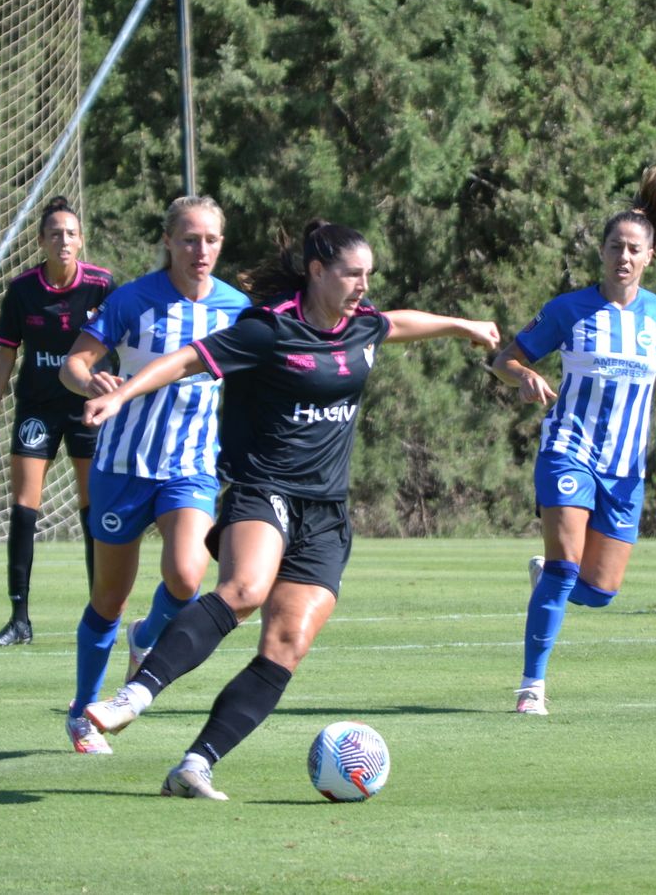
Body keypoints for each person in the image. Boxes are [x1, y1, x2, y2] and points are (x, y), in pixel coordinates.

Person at [78, 219, 500, 798]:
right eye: (353, 273)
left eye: (368, 275)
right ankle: (134, 695)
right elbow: (184, 361)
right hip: (263, 488)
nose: (363, 285)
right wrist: (120, 394)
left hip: (326, 513)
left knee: (286, 646)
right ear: (318, 271)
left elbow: (399, 322)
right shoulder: (267, 331)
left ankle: (195, 765)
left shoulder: (363, 328)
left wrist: (460, 325)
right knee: (245, 590)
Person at [488, 167, 656, 716]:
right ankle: (532, 688)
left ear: (649, 257)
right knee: (564, 569)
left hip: (626, 469)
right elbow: (504, 358)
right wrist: (524, 375)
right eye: (614, 247)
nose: (623, 257)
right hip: (569, 450)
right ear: (600, 252)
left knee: (599, 590)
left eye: (633, 249)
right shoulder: (567, 310)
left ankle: (549, 577)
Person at [56, 195, 249, 754]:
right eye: (190, 239)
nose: (201, 250)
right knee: (108, 599)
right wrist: (90, 381)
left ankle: (147, 637)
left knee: (189, 578)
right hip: (121, 466)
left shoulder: (238, 308)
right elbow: (75, 363)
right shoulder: (132, 300)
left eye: (211, 239)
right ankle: (82, 713)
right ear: (168, 242)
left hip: (190, 467)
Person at [0, 196, 114, 646]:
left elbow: (126, 341)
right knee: (23, 507)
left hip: (86, 408)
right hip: (36, 408)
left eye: (71, 233)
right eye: (55, 233)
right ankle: (19, 619)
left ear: (81, 241)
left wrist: (124, 392)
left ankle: (102, 615)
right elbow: (5, 354)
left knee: (93, 507)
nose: (64, 240)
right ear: (41, 241)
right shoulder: (22, 290)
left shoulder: (102, 285)